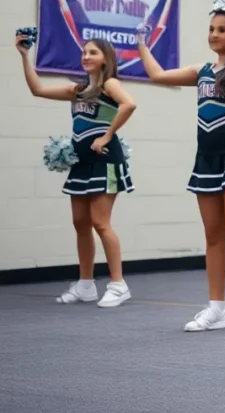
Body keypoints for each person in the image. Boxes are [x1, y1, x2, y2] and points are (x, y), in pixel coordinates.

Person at [136, 0, 225, 334]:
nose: (213, 34)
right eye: (211, 29)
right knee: (213, 235)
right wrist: (141, 43)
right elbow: (157, 76)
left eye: (222, 29)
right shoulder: (201, 72)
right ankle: (217, 308)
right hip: (207, 157)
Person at [17, 35, 135, 307]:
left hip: (105, 161)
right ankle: (85, 284)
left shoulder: (110, 84)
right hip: (81, 163)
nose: (86, 56)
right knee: (80, 222)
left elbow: (130, 104)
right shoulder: (77, 90)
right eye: (83, 52)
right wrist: (25, 56)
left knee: (100, 222)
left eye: (93, 52)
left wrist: (107, 136)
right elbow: (37, 89)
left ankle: (118, 284)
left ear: (105, 57)